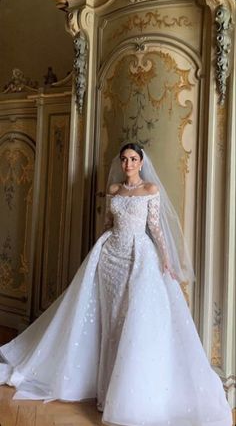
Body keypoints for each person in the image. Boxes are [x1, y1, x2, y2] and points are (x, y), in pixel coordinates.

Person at [0, 143, 232, 426]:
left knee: (129, 320)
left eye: (133, 159)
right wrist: (99, 251)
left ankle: (121, 393)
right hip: (109, 257)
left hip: (139, 256)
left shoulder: (150, 191)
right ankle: (103, 390)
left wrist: (166, 260)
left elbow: (156, 227)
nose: (128, 163)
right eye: (124, 159)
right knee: (108, 319)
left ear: (141, 161)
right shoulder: (113, 191)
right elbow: (108, 223)